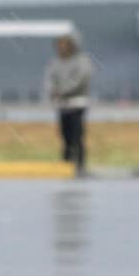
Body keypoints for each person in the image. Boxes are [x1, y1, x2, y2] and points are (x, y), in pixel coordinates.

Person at [44, 34, 96, 175]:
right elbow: (49, 79)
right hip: (63, 106)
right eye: (60, 44)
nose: (62, 47)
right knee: (65, 137)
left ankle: (80, 166)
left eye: (65, 44)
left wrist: (62, 91)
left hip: (77, 104)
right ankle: (66, 165)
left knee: (77, 136)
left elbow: (80, 79)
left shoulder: (81, 61)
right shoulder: (55, 63)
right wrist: (53, 91)